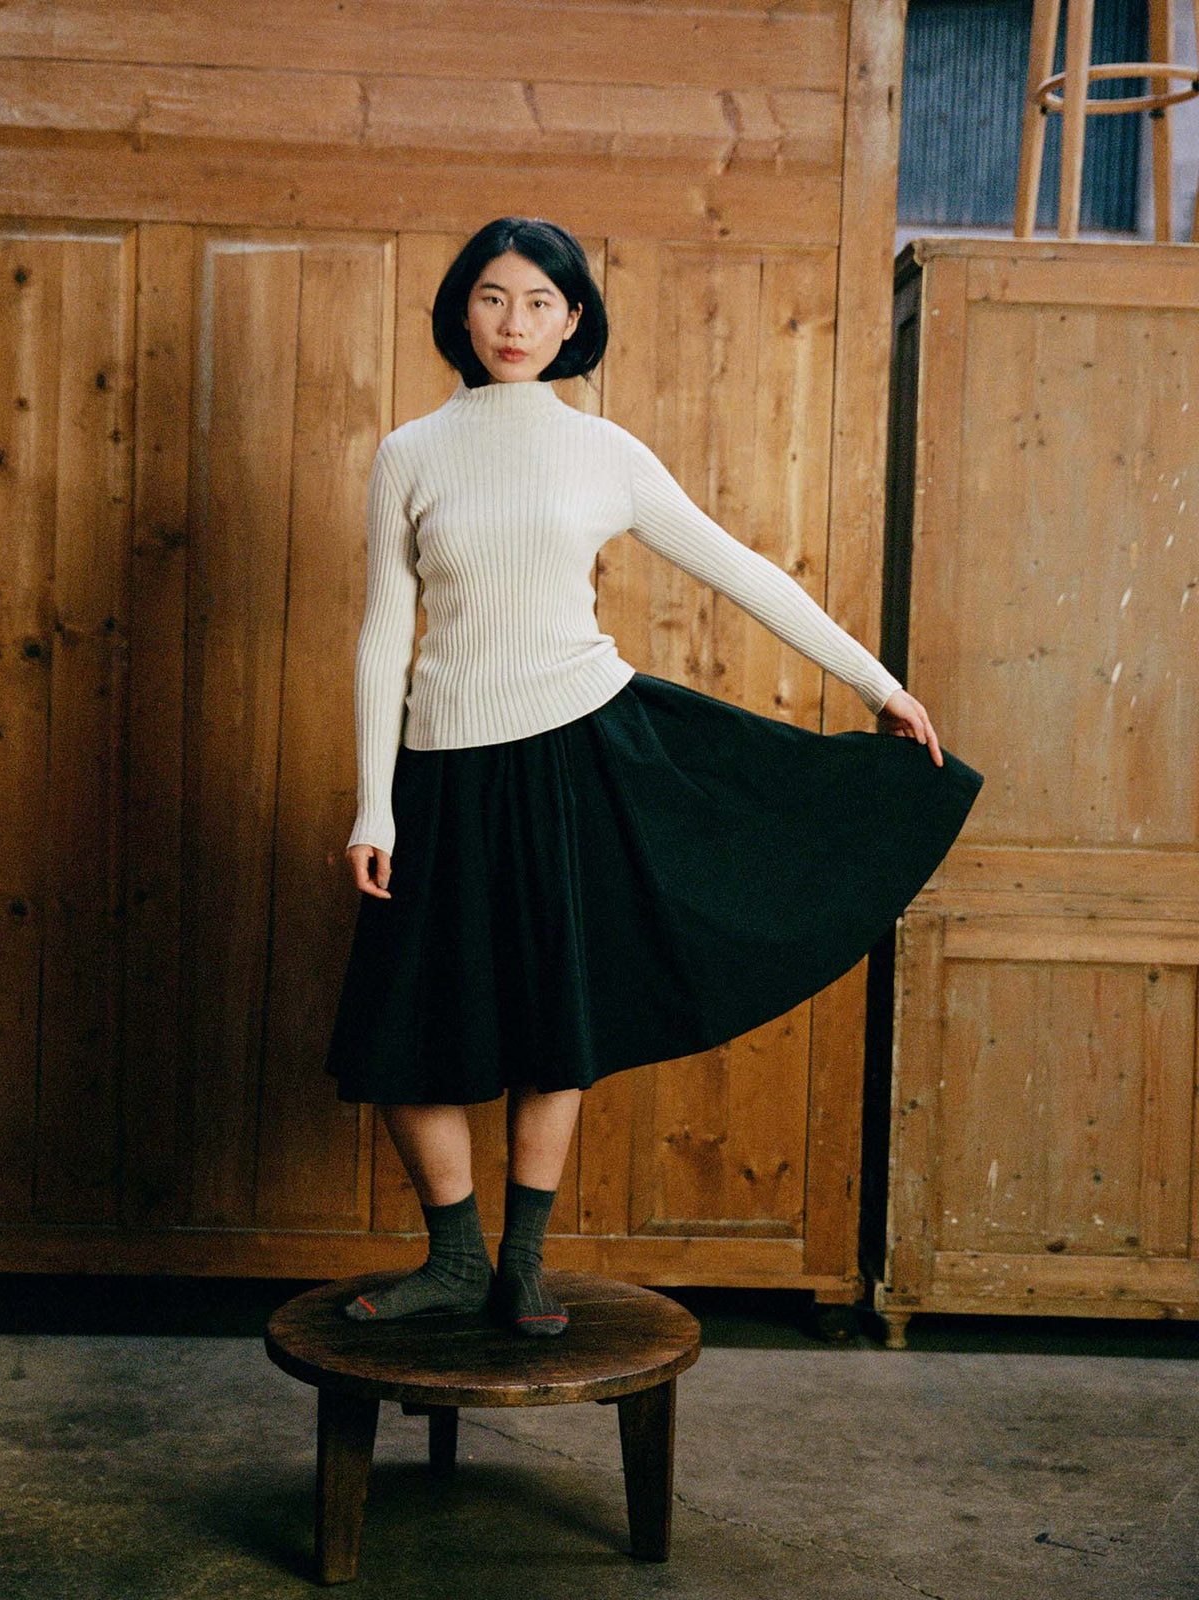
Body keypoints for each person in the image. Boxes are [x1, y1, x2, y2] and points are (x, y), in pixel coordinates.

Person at [324, 216, 984, 1338]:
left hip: (580, 751)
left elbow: (742, 571)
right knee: (405, 1030)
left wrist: (879, 685)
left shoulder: (605, 452)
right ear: (460, 311)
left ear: (573, 318)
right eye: (492, 298)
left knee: (555, 1019)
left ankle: (522, 1266)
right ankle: (454, 1258)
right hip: (440, 771)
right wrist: (374, 802)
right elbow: (386, 637)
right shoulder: (411, 451)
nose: (513, 322)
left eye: (539, 301)